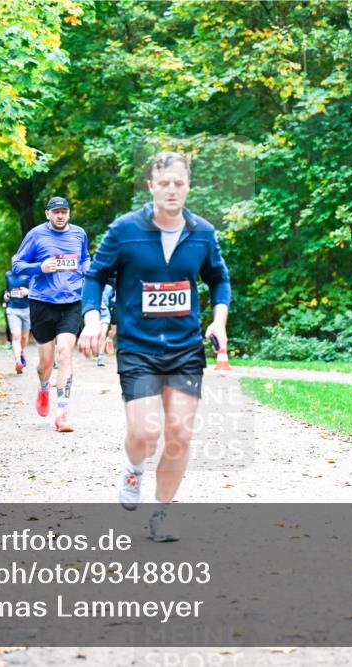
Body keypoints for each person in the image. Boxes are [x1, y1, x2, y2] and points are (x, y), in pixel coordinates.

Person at [78, 151, 230, 542]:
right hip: (138, 346)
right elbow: (95, 276)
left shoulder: (202, 233)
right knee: (145, 435)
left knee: (179, 435)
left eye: (179, 183)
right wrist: (93, 317)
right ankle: (134, 467)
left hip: (184, 348)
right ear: (150, 186)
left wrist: (219, 320)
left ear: (188, 185)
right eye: (163, 183)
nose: (172, 190)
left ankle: (162, 512)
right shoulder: (125, 230)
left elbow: (219, 279)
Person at [12, 196, 90, 432]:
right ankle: (44, 387)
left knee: (65, 354)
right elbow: (17, 264)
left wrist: (85, 269)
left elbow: (85, 259)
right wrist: (40, 267)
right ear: (48, 214)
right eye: (56, 212)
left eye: (64, 211)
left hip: (71, 302)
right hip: (42, 303)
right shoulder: (36, 235)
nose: (60, 216)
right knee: (45, 363)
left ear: (68, 213)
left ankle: (62, 414)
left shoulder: (79, 234)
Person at [3, 269, 31, 374]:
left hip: (27, 309)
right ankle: (18, 361)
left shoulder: (29, 273)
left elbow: (38, 288)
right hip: (12, 309)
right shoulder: (8, 274)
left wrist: (28, 292)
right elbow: (7, 289)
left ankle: (22, 351)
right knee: (16, 335)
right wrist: (5, 295)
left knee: (24, 337)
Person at [95, 281, 115, 367]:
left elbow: (110, 301)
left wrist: (114, 301)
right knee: (96, 335)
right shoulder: (93, 286)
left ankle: (100, 357)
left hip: (105, 314)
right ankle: (96, 351)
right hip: (94, 314)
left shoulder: (109, 288)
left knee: (103, 335)